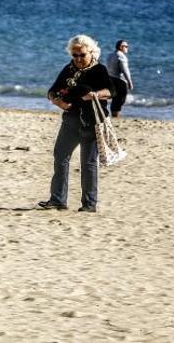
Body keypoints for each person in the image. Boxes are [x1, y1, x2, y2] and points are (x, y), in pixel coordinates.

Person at [38, 35, 115, 213]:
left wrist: (95, 94)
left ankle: (89, 204)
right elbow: (52, 91)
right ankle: (57, 199)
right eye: (75, 55)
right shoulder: (69, 69)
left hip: (92, 122)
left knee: (88, 163)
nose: (78, 59)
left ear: (91, 52)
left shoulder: (99, 70)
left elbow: (112, 91)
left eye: (82, 55)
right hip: (71, 120)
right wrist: (57, 101)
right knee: (60, 156)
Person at [105, 39, 134, 118]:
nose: (127, 48)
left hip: (111, 78)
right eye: (126, 46)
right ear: (121, 47)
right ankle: (115, 115)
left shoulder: (110, 55)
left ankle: (114, 114)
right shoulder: (121, 56)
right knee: (121, 99)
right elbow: (125, 70)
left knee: (115, 98)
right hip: (119, 80)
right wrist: (130, 82)